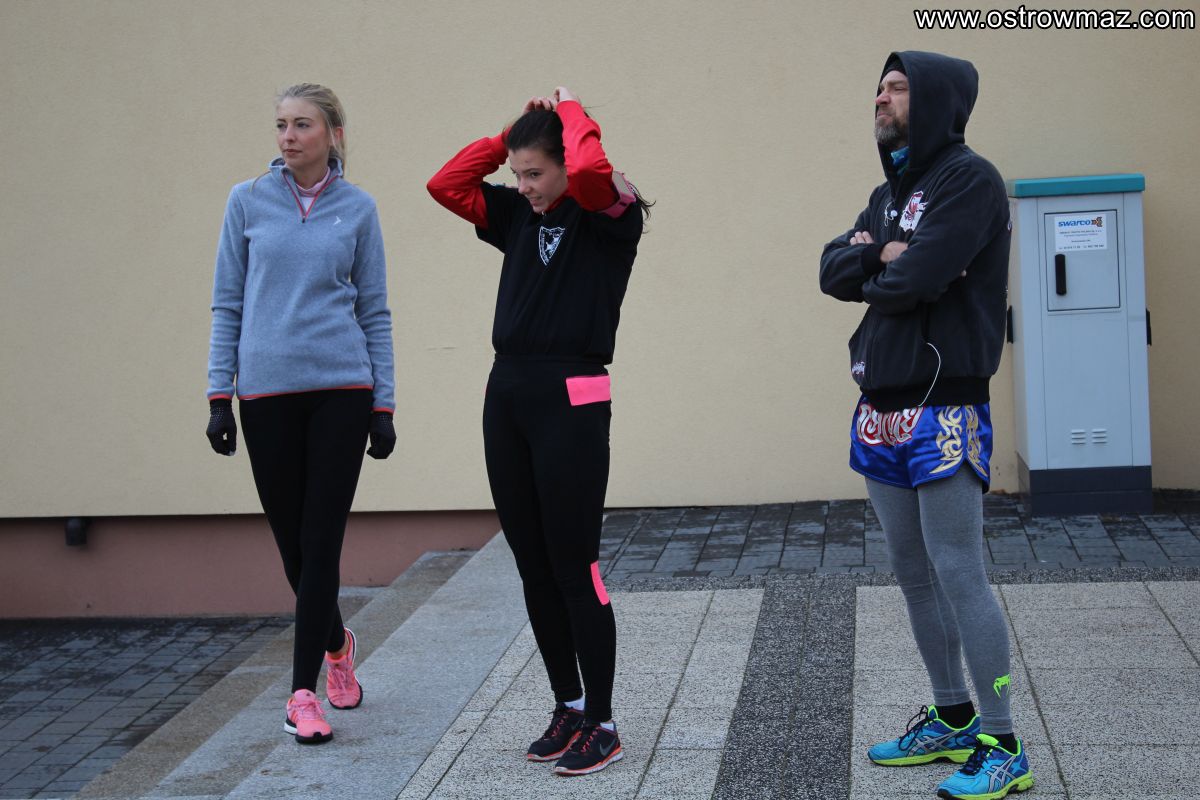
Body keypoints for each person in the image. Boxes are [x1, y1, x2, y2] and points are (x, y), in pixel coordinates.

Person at [819, 52, 1034, 799]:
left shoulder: (970, 181)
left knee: (958, 570)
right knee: (912, 572)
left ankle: (1004, 743)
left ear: (936, 99)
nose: (880, 98)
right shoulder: (888, 195)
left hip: (945, 405)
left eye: (898, 87)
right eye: (878, 87)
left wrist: (877, 266)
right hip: (879, 406)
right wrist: (880, 252)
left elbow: (917, 279)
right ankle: (952, 716)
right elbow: (830, 270)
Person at [427, 86, 649, 777]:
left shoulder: (607, 214)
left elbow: (590, 171)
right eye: (516, 173)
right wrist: (507, 137)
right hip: (509, 394)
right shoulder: (516, 215)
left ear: (564, 166)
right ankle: (569, 705)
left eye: (534, 173)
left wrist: (572, 111)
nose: (521, 186)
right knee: (532, 563)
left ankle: (604, 723)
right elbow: (446, 184)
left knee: (574, 564)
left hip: (572, 396)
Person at [205, 83, 396, 745]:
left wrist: (383, 404)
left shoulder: (359, 209)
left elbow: (374, 311)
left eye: (302, 125)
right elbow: (228, 302)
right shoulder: (246, 201)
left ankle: (302, 694)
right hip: (266, 396)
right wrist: (218, 396)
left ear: (333, 133)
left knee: (321, 543)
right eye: (282, 125)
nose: (288, 137)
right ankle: (337, 644)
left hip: (342, 392)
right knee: (294, 549)